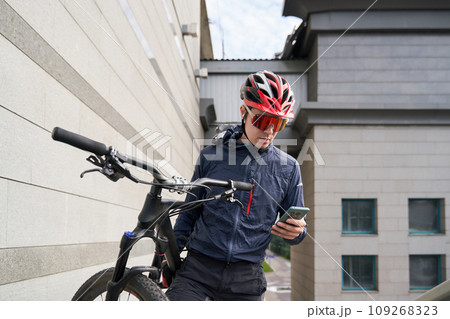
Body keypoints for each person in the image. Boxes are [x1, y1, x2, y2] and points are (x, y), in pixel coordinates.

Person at [165, 70, 307, 301]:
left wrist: (298, 232)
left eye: (278, 122)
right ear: (244, 112)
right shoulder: (211, 156)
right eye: (264, 120)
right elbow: (189, 212)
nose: (270, 131)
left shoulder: (288, 168)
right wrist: (168, 256)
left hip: (247, 279)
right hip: (197, 271)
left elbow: (297, 230)